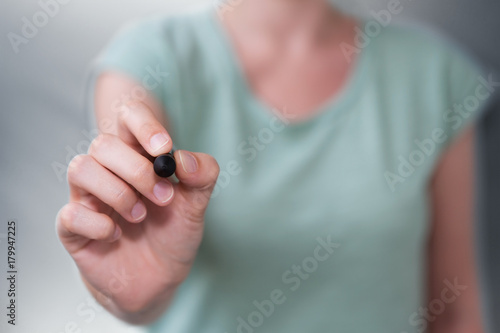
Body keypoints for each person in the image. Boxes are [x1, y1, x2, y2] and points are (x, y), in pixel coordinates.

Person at [56, 0, 492, 332]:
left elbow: (455, 307)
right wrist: (133, 295)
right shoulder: (148, 60)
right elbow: (137, 282)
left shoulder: (434, 75)